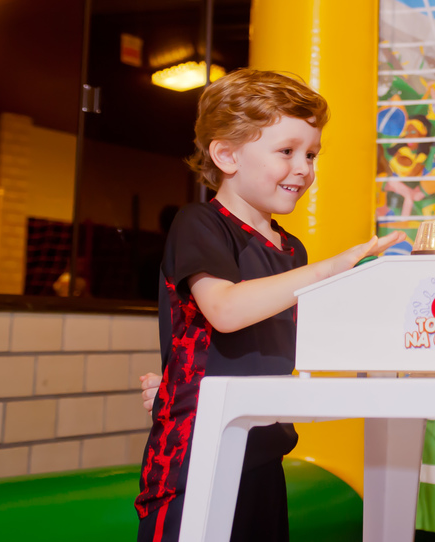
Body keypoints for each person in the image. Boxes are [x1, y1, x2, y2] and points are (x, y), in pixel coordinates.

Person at [135, 69, 402, 542]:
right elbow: (225, 310)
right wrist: (331, 268)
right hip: (197, 452)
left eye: (311, 154)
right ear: (227, 155)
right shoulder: (200, 224)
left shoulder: (290, 249)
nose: (304, 168)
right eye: (287, 151)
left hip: (262, 448)